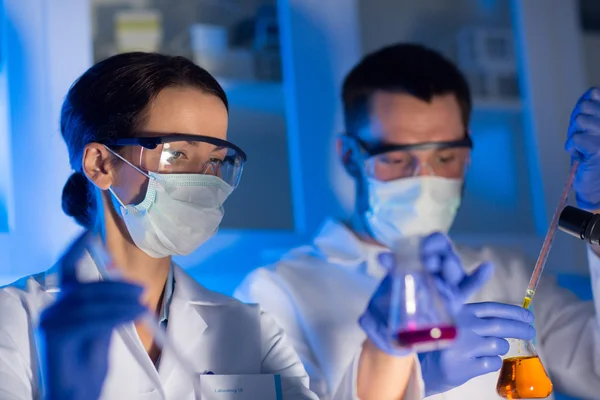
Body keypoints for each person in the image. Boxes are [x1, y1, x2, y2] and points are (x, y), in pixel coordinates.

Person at [235, 43, 600, 400]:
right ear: (349, 156)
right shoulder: (272, 296)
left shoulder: (506, 273)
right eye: (397, 158)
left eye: (445, 157)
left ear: (468, 156)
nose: (424, 180)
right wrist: (419, 377)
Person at [0, 52, 320, 400]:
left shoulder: (251, 329)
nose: (204, 180)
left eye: (215, 160)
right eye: (177, 154)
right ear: (100, 164)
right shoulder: (15, 318)